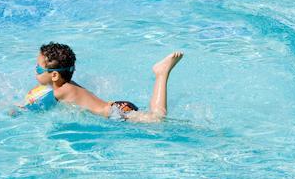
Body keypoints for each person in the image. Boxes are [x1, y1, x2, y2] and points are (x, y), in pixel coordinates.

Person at [18, 42, 184, 122]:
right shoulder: (69, 85)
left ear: (54, 75)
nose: (35, 70)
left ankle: (162, 73)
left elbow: (34, 110)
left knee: (158, 119)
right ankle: (161, 74)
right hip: (117, 107)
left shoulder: (60, 91)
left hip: (116, 113)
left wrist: (14, 110)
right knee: (156, 116)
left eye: (39, 69)